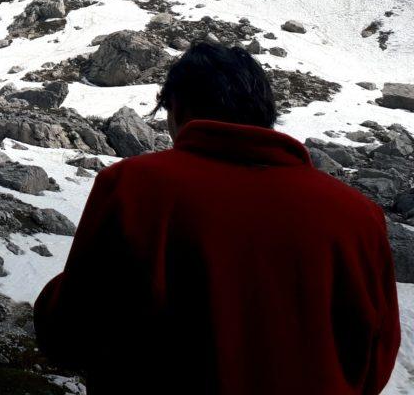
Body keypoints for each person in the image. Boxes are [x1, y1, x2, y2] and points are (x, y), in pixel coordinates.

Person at [35, 42, 400, 394]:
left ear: (176, 110)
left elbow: (70, 333)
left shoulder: (135, 187)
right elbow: (376, 359)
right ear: (265, 113)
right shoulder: (359, 215)